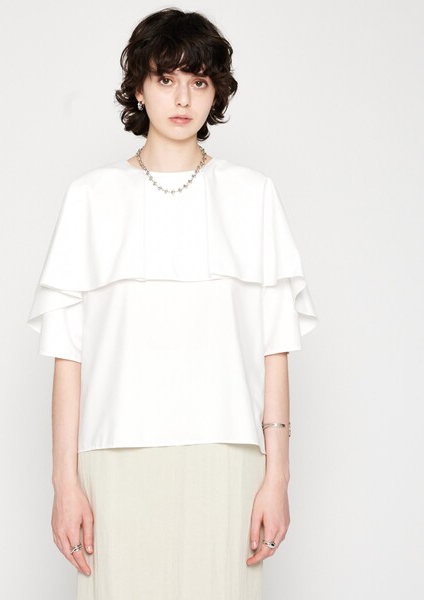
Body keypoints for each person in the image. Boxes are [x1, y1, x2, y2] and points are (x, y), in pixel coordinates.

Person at [27, 7, 318, 600]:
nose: (183, 98)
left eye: (199, 81)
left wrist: (278, 476)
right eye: (166, 79)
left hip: (226, 457)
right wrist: (64, 482)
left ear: (216, 92)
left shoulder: (252, 196)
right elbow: (68, 357)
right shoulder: (91, 198)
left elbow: (275, 350)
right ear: (139, 88)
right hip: (115, 458)